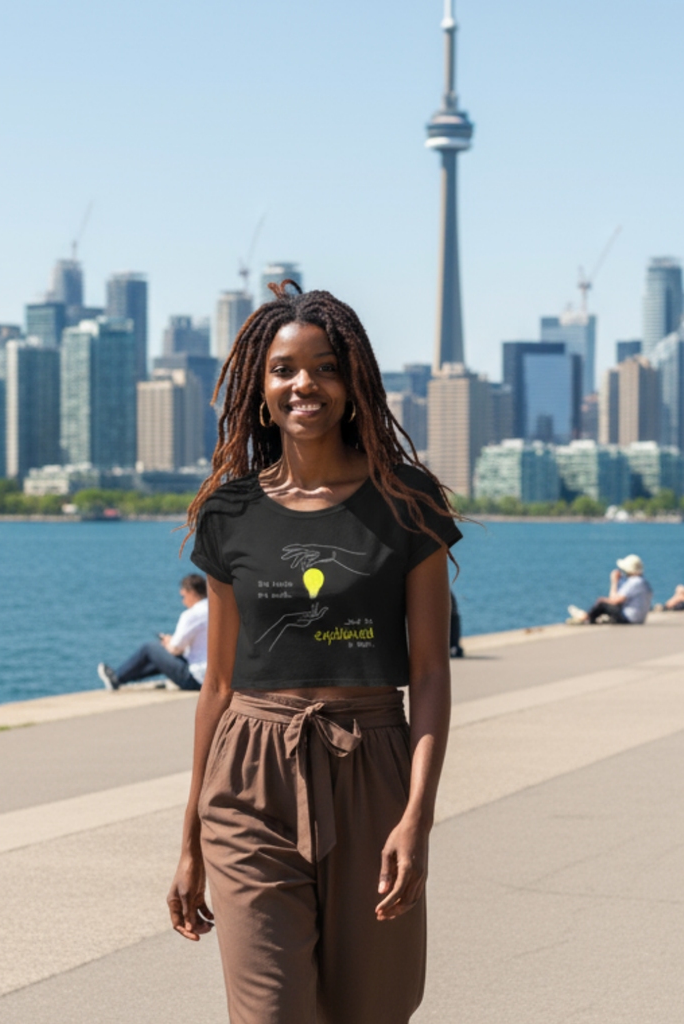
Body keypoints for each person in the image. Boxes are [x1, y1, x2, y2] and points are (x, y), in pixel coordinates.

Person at [167, 283, 462, 1024]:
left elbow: (428, 672)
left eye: (326, 367)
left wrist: (417, 817)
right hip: (248, 779)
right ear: (260, 390)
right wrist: (190, 840)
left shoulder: (407, 502)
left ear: (354, 382)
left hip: (372, 765)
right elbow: (219, 684)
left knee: (372, 1009)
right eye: (284, 369)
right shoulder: (228, 513)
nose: (305, 384)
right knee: (271, 1014)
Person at [97, 574, 207, 690]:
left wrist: (167, 642)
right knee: (158, 659)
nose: (183, 602)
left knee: (150, 648)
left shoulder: (192, 615)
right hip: (217, 678)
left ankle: (117, 677)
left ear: (191, 592)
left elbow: (175, 649)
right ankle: (120, 679)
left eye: (183, 596)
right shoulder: (216, 610)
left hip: (196, 679)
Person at [567, 553, 653, 625]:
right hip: (639, 619)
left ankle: (586, 618)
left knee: (602, 603)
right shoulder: (643, 582)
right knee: (607, 604)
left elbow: (614, 600)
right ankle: (589, 617)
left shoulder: (634, 582)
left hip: (629, 619)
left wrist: (614, 582)